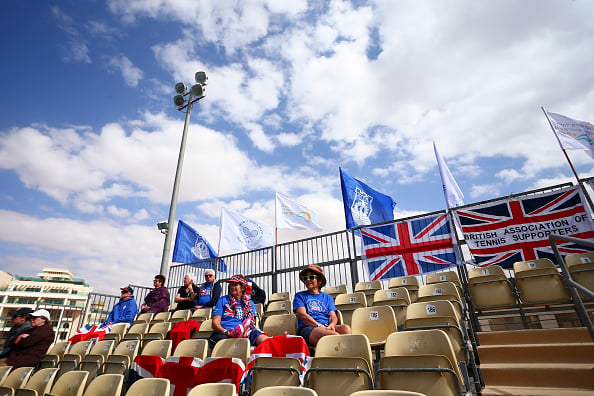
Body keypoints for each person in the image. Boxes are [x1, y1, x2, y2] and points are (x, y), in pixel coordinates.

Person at [293, 264, 351, 346]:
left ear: (319, 281)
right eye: (305, 278)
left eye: (311, 277)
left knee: (346, 329)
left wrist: (332, 325)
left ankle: (348, 356)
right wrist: (319, 325)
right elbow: (303, 315)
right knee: (335, 337)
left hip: (325, 326)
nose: (308, 280)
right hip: (308, 328)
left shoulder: (328, 298)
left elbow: (333, 316)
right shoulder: (299, 296)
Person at [210, 274, 268, 348]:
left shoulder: (250, 303)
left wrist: (245, 332)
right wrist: (226, 332)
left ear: (242, 288)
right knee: (224, 342)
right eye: (231, 285)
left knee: (261, 338)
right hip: (224, 333)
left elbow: (253, 323)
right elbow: (215, 324)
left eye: (235, 285)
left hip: (245, 332)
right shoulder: (223, 300)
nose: (232, 287)